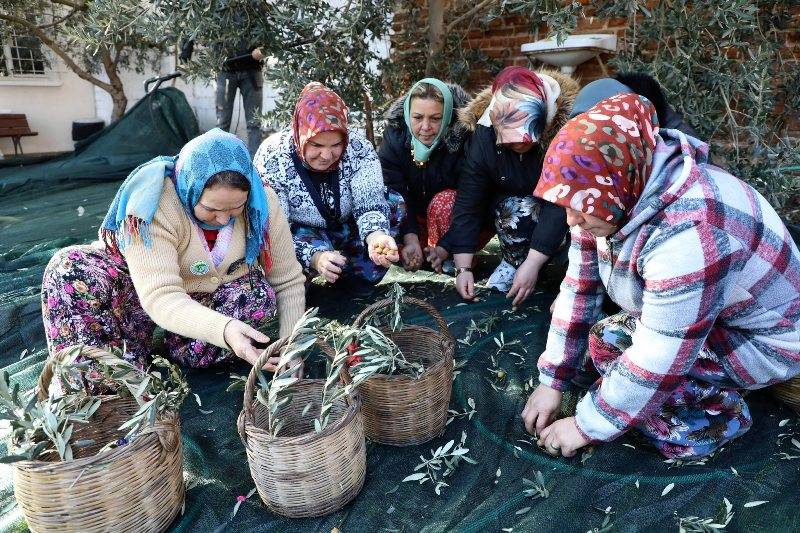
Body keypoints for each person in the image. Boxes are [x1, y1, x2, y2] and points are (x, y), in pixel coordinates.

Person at [521, 93, 800, 459]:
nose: (571, 220)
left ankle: (718, 416)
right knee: (608, 341)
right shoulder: (612, 195)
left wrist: (586, 425)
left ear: (618, 183)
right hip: (720, 318)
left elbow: (661, 352)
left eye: (581, 207)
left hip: (766, 341)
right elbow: (579, 288)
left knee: (640, 378)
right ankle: (693, 388)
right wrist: (551, 380)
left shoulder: (691, 234)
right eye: (566, 205)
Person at [41, 129, 305, 371]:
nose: (224, 219)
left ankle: (179, 342)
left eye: (235, 208)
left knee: (256, 295)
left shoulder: (263, 201)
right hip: (136, 290)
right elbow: (161, 295)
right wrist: (224, 330)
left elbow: (287, 281)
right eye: (211, 209)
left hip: (203, 293)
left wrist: (292, 349)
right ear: (191, 188)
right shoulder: (154, 202)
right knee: (69, 269)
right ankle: (111, 374)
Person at [433, 66, 579, 306]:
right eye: (510, 142)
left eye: (524, 142)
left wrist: (534, 262)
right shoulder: (483, 135)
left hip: (558, 209)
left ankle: (558, 269)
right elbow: (470, 200)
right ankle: (514, 261)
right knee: (517, 209)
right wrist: (463, 269)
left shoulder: (565, 132)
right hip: (510, 209)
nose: (517, 146)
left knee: (538, 214)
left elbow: (558, 200)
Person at [254, 82, 404, 287]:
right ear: (300, 134)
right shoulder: (272, 156)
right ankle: (305, 280)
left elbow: (370, 200)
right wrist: (314, 257)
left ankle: (356, 277)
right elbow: (275, 228)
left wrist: (375, 235)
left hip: (348, 226)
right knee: (286, 254)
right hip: (302, 234)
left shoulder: (359, 149)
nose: (326, 156)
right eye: (316, 145)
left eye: (336, 145)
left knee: (393, 202)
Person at [379, 78, 481, 272]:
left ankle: (455, 254)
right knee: (388, 198)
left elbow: (472, 200)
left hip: (456, 222)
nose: (425, 127)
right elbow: (395, 189)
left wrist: (444, 247)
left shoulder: (467, 138)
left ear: (448, 118)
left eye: (435, 118)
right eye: (417, 117)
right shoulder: (395, 136)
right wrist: (411, 237)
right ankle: (412, 251)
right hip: (414, 220)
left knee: (445, 201)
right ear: (408, 116)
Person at [216, 43, 265, 156]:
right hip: (225, 70)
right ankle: (219, 164)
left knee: (254, 123)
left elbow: (268, 37)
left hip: (252, 70)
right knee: (222, 123)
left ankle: (256, 166)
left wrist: (263, 49)